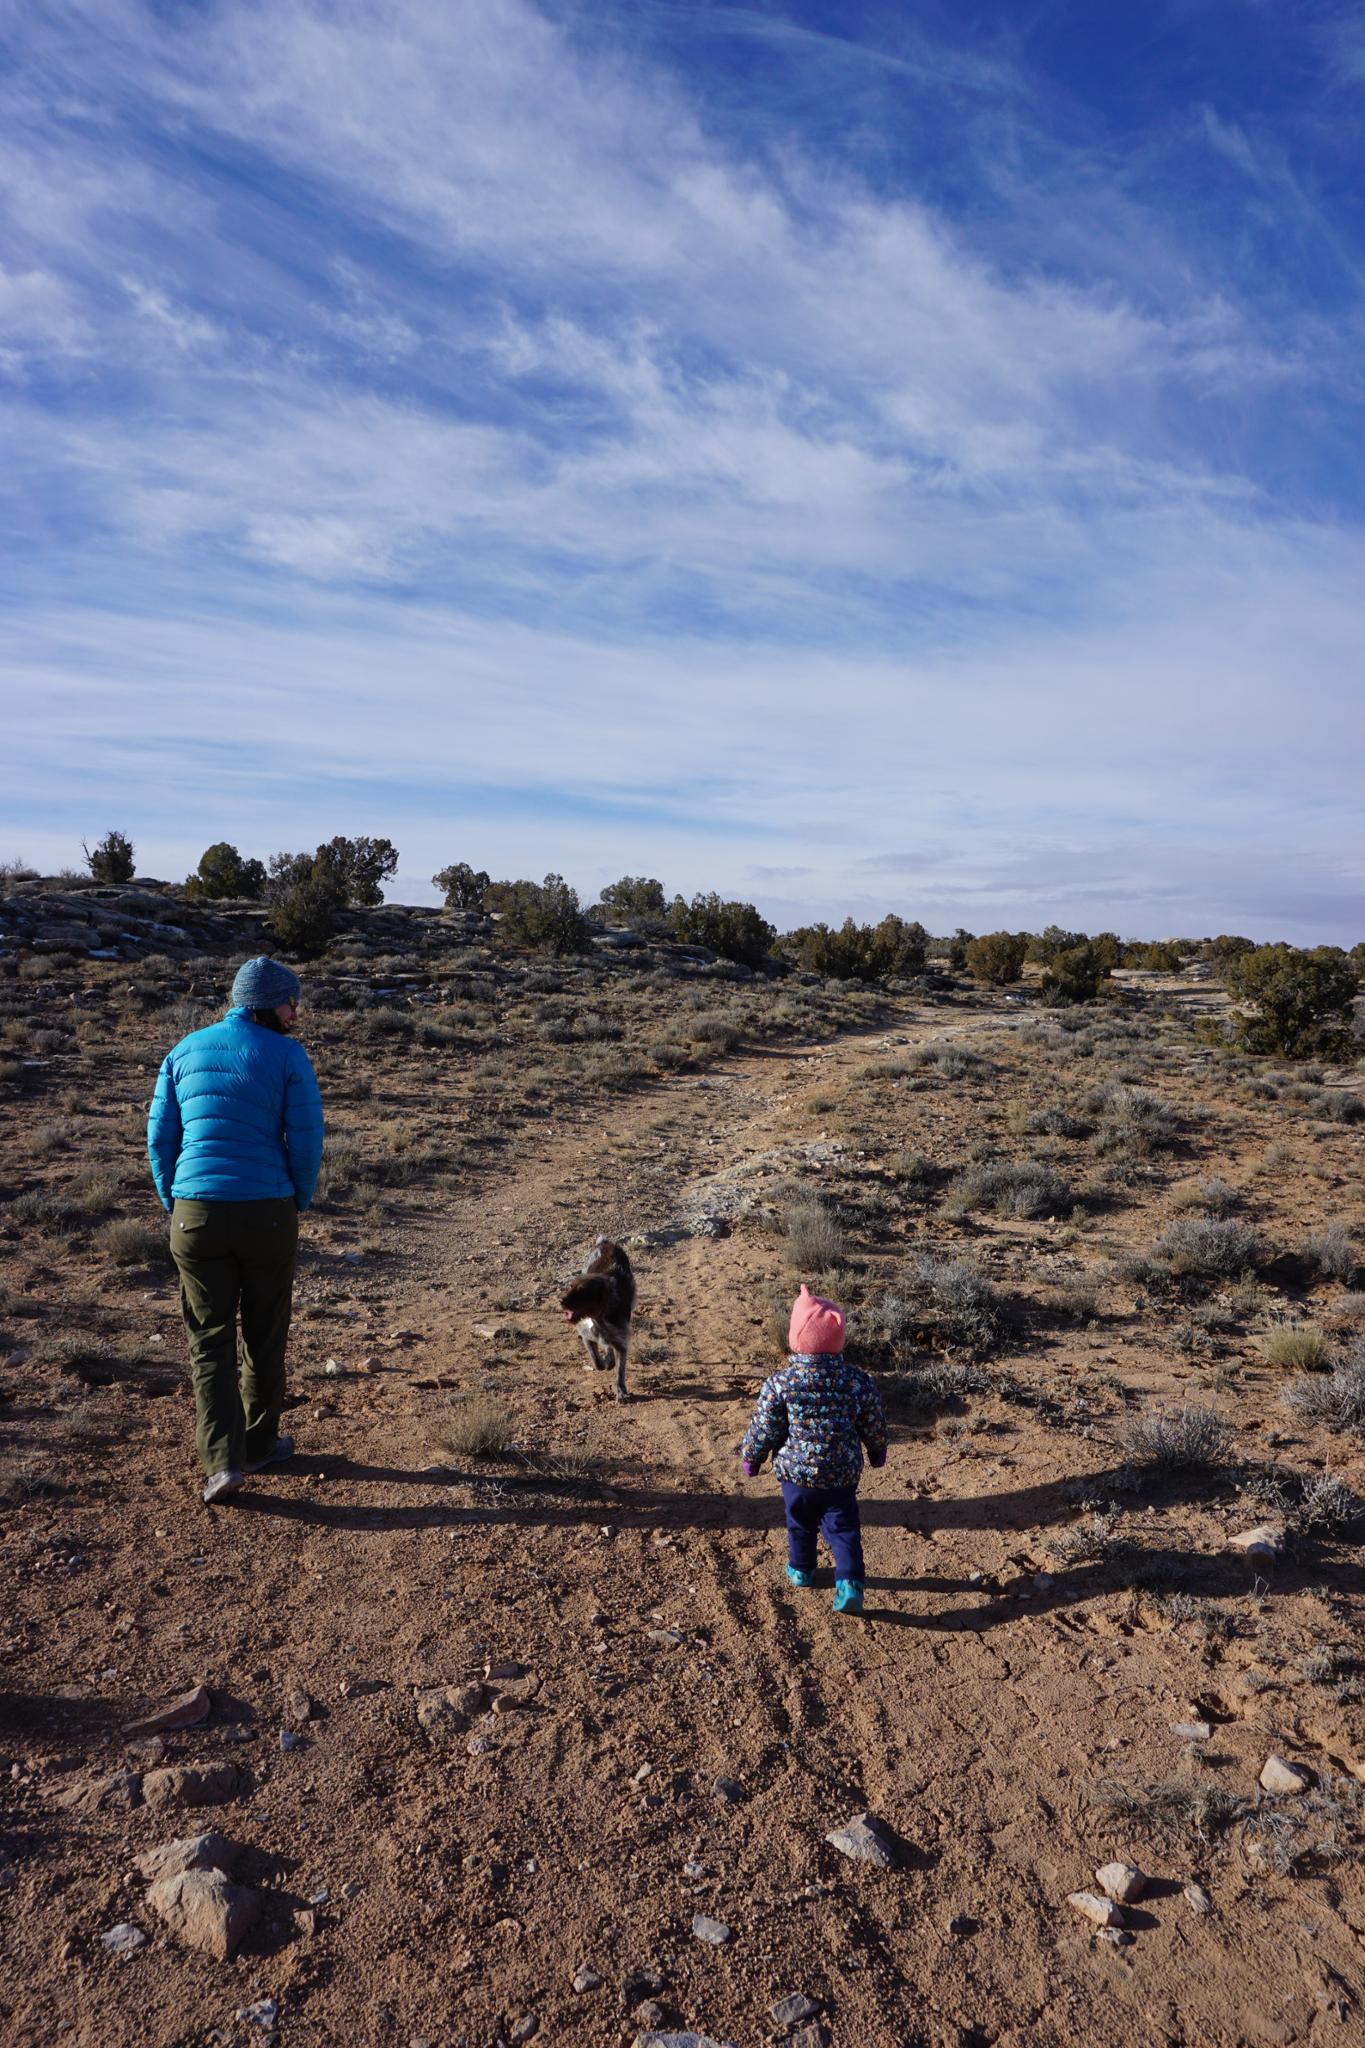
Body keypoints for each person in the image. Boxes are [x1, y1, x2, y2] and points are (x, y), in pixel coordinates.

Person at [147, 957, 324, 1505]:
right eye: (291, 1003)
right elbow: (307, 1139)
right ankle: (260, 1444)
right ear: (267, 1004)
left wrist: (176, 1201)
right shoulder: (288, 1055)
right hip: (267, 1210)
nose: (295, 1014)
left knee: (208, 1340)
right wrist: (297, 1198)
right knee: (265, 1333)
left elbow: (160, 1139)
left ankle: (221, 1462)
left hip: (195, 1214)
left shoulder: (183, 1050)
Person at [740, 1284, 887, 1616]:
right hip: (841, 1474)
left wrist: (753, 1456)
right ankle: (850, 1583)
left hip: (796, 1475)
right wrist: (877, 1449)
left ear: (795, 1338)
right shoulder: (857, 1381)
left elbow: (765, 1427)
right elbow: (873, 1421)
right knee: (843, 1528)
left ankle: (802, 1570)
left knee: (800, 1523)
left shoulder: (781, 1384)